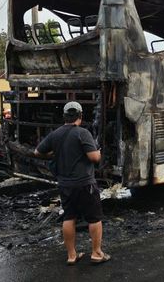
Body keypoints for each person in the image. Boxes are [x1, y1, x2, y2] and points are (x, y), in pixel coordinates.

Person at [34, 102, 110, 265]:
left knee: (69, 217)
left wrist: (56, 155)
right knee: (94, 218)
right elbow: (94, 158)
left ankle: (71, 255)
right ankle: (97, 253)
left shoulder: (55, 134)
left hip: (65, 184)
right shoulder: (83, 133)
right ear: (80, 117)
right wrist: (98, 152)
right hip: (85, 184)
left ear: (64, 116)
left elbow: (37, 152)